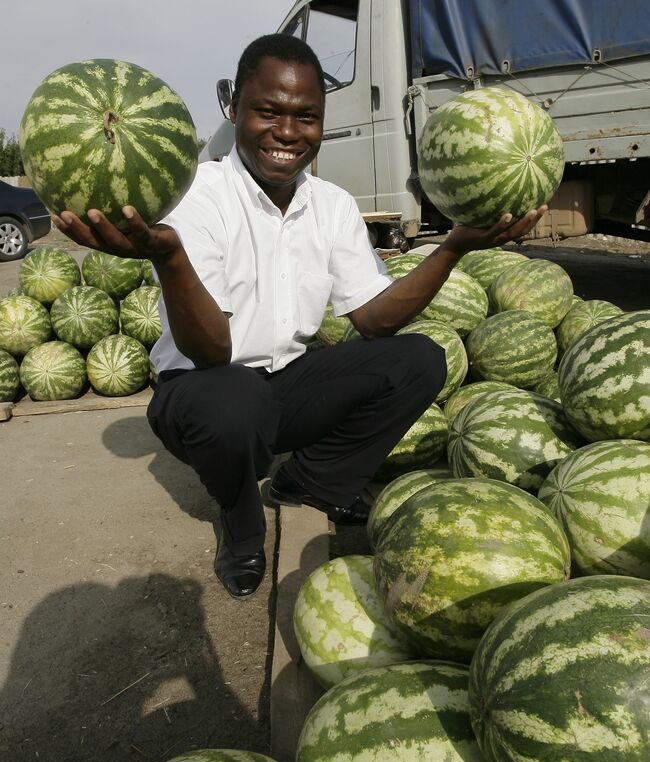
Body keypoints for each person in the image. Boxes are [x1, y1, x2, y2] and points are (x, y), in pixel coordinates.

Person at [55, 34, 546, 599]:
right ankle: (240, 520)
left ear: (322, 123)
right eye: (269, 112)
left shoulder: (333, 205)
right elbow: (212, 352)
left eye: (306, 117)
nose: (288, 133)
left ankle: (305, 481)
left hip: (282, 385)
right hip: (199, 392)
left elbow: (375, 321)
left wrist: (453, 246)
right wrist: (169, 256)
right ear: (234, 108)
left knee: (419, 359)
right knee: (232, 401)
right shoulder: (198, 196)